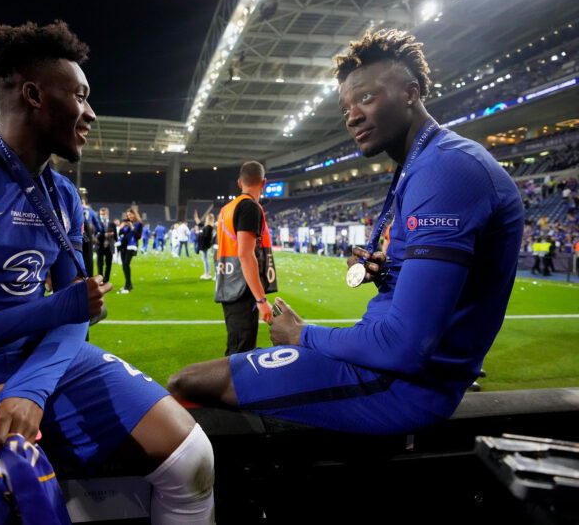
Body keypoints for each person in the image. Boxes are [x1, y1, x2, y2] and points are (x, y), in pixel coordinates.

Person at [0, 21, 213, 524]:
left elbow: (76, 312)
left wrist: (31, 385)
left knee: (192, 458)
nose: (90, 113)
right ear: (33, 95)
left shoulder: (65, 196)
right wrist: (49, 310)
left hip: (43, 359)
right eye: (80, 95)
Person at [169, 29, 523, 436]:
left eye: (367, 97)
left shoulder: (447, 169)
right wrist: (389, 272)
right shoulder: (426, 164)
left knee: (186, 383)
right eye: (346, 107)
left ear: (410, 93)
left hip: (402, 387)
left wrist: (303, 335)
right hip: (387, 367)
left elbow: (405, 346)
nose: (352, 115)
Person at [213, 161, 277, 355]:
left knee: (237, 345)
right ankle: (230, 386)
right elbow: (245, 254)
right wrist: (261, 299)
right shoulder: (250, 207)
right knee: (240, 352)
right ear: (263, 183)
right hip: (242, 288)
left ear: (239, 183)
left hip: (227, 281)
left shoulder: (227, 209)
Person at [118, 207, 143, 293]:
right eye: (128, 215)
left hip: (131, 246)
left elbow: (138, 236)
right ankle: (129, 285)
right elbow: (120, 234)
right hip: (123, 246)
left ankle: (127, 287)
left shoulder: (139, 224)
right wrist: (121, 227)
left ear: (134, 214)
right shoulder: (125, 222)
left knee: (126, 264)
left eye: (130, 214)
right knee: (124, 266)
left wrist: (132, 227)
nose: (129, 216)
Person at [81, 196, 101, 277]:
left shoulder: (75, 209)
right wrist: (94, 236)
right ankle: (89, 279)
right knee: (88, 257)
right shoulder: (92, 211)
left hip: (76, 237)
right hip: (88, 236)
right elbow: (99, 228)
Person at [95, 207, 116, 283]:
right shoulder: (97, 223)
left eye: (103, 214)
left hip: (109, 247)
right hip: (100, 246)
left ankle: (106, 279)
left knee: (108, 264)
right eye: (101, 214)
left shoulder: (112, 224)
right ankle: (100, 279)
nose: (102, 216)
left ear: (107, 214)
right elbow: (95, 235)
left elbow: (115, 236)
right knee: (100, 263)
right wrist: (106, 234)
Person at [195, 211, 216, 280]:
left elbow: (206, 237)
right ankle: (207, 273)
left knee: (205, 259)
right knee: (206, 259)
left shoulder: (208, 227)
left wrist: (200, 234)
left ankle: (207, 273)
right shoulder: (209, 226)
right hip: (206, 245)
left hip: (204, 245)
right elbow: (200, 224)